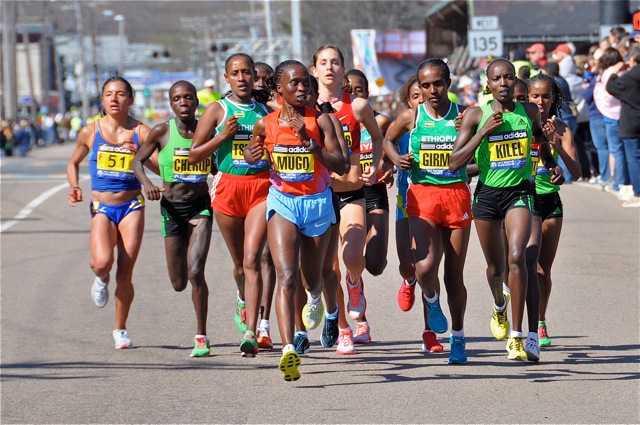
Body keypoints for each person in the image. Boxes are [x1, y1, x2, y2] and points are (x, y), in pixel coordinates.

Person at [449, 58, 564, 362]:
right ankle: (499, 303)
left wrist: (551, 164)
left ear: (515, 82)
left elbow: (540, 141)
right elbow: (454, 163)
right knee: (495, 269)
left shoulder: (528, 112)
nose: (503, 83)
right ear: (488, 84)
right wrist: (482, 131)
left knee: (517, 257)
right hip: (487, 196)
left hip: (520, 193)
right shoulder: (476, 114)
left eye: (508, 78)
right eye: (497, 78)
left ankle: (517, 336)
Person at [244, 60, 344, 381]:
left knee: (311, 279)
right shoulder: (266, 123)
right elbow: (250, 152)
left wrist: (312, 145)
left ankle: (319, 301)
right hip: (283, 201)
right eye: (294, 84)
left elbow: (340, 164)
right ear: (279, 89)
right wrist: (252, 155)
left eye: (305, 83)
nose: (301, 88)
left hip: (317, 203)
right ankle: (289, 350)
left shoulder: (324, 121)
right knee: (286, 275)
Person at [384, 58, 472, 364]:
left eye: (438, 83)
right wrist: (396, 159)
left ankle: (458, 339)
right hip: (422, 196)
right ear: (418, 87)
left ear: (448, 84)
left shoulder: (463, 115)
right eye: (425, 85)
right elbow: (387, 140)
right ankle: (431, 302)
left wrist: (470, 140)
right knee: (424, 267)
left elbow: (479, 152)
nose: (432, 90)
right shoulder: (411, 116)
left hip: (456, 196)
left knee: (454, 277)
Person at [189, 53, 271, 357]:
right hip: (227, 188)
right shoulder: (217, 110)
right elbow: (194, 155)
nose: (242, 78)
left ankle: (250, 332)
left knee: (254, 259)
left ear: (253, 76)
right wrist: (221, 136)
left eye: (247, 72)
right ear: (227, 78)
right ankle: (241, 295)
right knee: (239, 264)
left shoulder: (266, 111)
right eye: (235, 73)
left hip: (261, 188)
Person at [66, 76, 155, 349]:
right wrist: (74, 186)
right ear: (102, 100)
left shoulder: (142, 132)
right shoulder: (90, 131)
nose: (114, 99)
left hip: (131, 206)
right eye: (109, 94)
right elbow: (73, 162)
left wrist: (139, 156)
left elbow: (159, 168)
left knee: (125, 273)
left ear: (131, 99)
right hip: (102, 207)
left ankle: (120, 328)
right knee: (103, 262)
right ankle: (100, 277)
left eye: (120, 94)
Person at [131, 81, 213, 357]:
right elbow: (137, 161)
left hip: (200, 207)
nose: (184, 102)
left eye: (188, 97)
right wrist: (147, 184)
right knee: (179, 282)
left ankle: (201, 336)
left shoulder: (207, 130)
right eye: (177, 98)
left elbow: (220, 163)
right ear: (171, 104)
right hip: (171, 209)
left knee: (196, 272)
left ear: (196, 101)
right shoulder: (161, 132)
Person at [311, 45, 384, 354]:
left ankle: (356, 282)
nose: (329, 67)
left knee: (352, 258)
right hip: (319, 196)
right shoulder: (306, 110)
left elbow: (378, 138)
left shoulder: (357, 106)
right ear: (313, 70)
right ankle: (343, 329)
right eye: (323, 63)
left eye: (335, 63)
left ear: (343, 70)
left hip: (352, 192)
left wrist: (375, 166)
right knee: (330, 271)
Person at [527, 73, 581, 348]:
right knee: (522, 263)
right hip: (523, 200)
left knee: (542, 269)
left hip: (550, 202)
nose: (540, 101)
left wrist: (556, 146)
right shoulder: (520, 124)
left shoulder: (562, 128)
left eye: (545, 96)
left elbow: (577, 172)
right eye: (534, 96)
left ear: (553, 99)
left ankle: (539, 320)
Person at [393, 75, 445, 354]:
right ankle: (407, 279)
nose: (423, 100)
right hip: (406, 197)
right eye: (416, 96)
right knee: (407, 261)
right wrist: (391, 161)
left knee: (429, 265)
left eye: (424, 95)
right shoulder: (406, 124)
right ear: (408, 101)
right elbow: (383, 144)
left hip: (433, 201)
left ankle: (429, 333)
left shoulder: (444, 123)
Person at [344, 68, 393, 345]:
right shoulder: (336, 121)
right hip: (347, 195)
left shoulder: (382, 121)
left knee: (374, 264)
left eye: (359, 90)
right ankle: (359, 322)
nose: (354, 94)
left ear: (367, 93)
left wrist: (388, 167)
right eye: (348, 90)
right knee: (347, 259)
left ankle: (356, 279)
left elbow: (393, 151)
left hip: (373, 194)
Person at [606, 43, 640, 207]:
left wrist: (614, 72)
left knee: (633, 158)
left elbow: (610, 87)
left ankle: (638, 191)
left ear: (632, 58)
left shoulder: (629, 77)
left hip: (631, 121)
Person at [594, 47, 628, 196]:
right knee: (620, 151)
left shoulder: (610, 73)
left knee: (616, 151)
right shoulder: (620, 71)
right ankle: (619, 180)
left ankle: (619, 182)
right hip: (619, 115)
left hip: (612, 116)